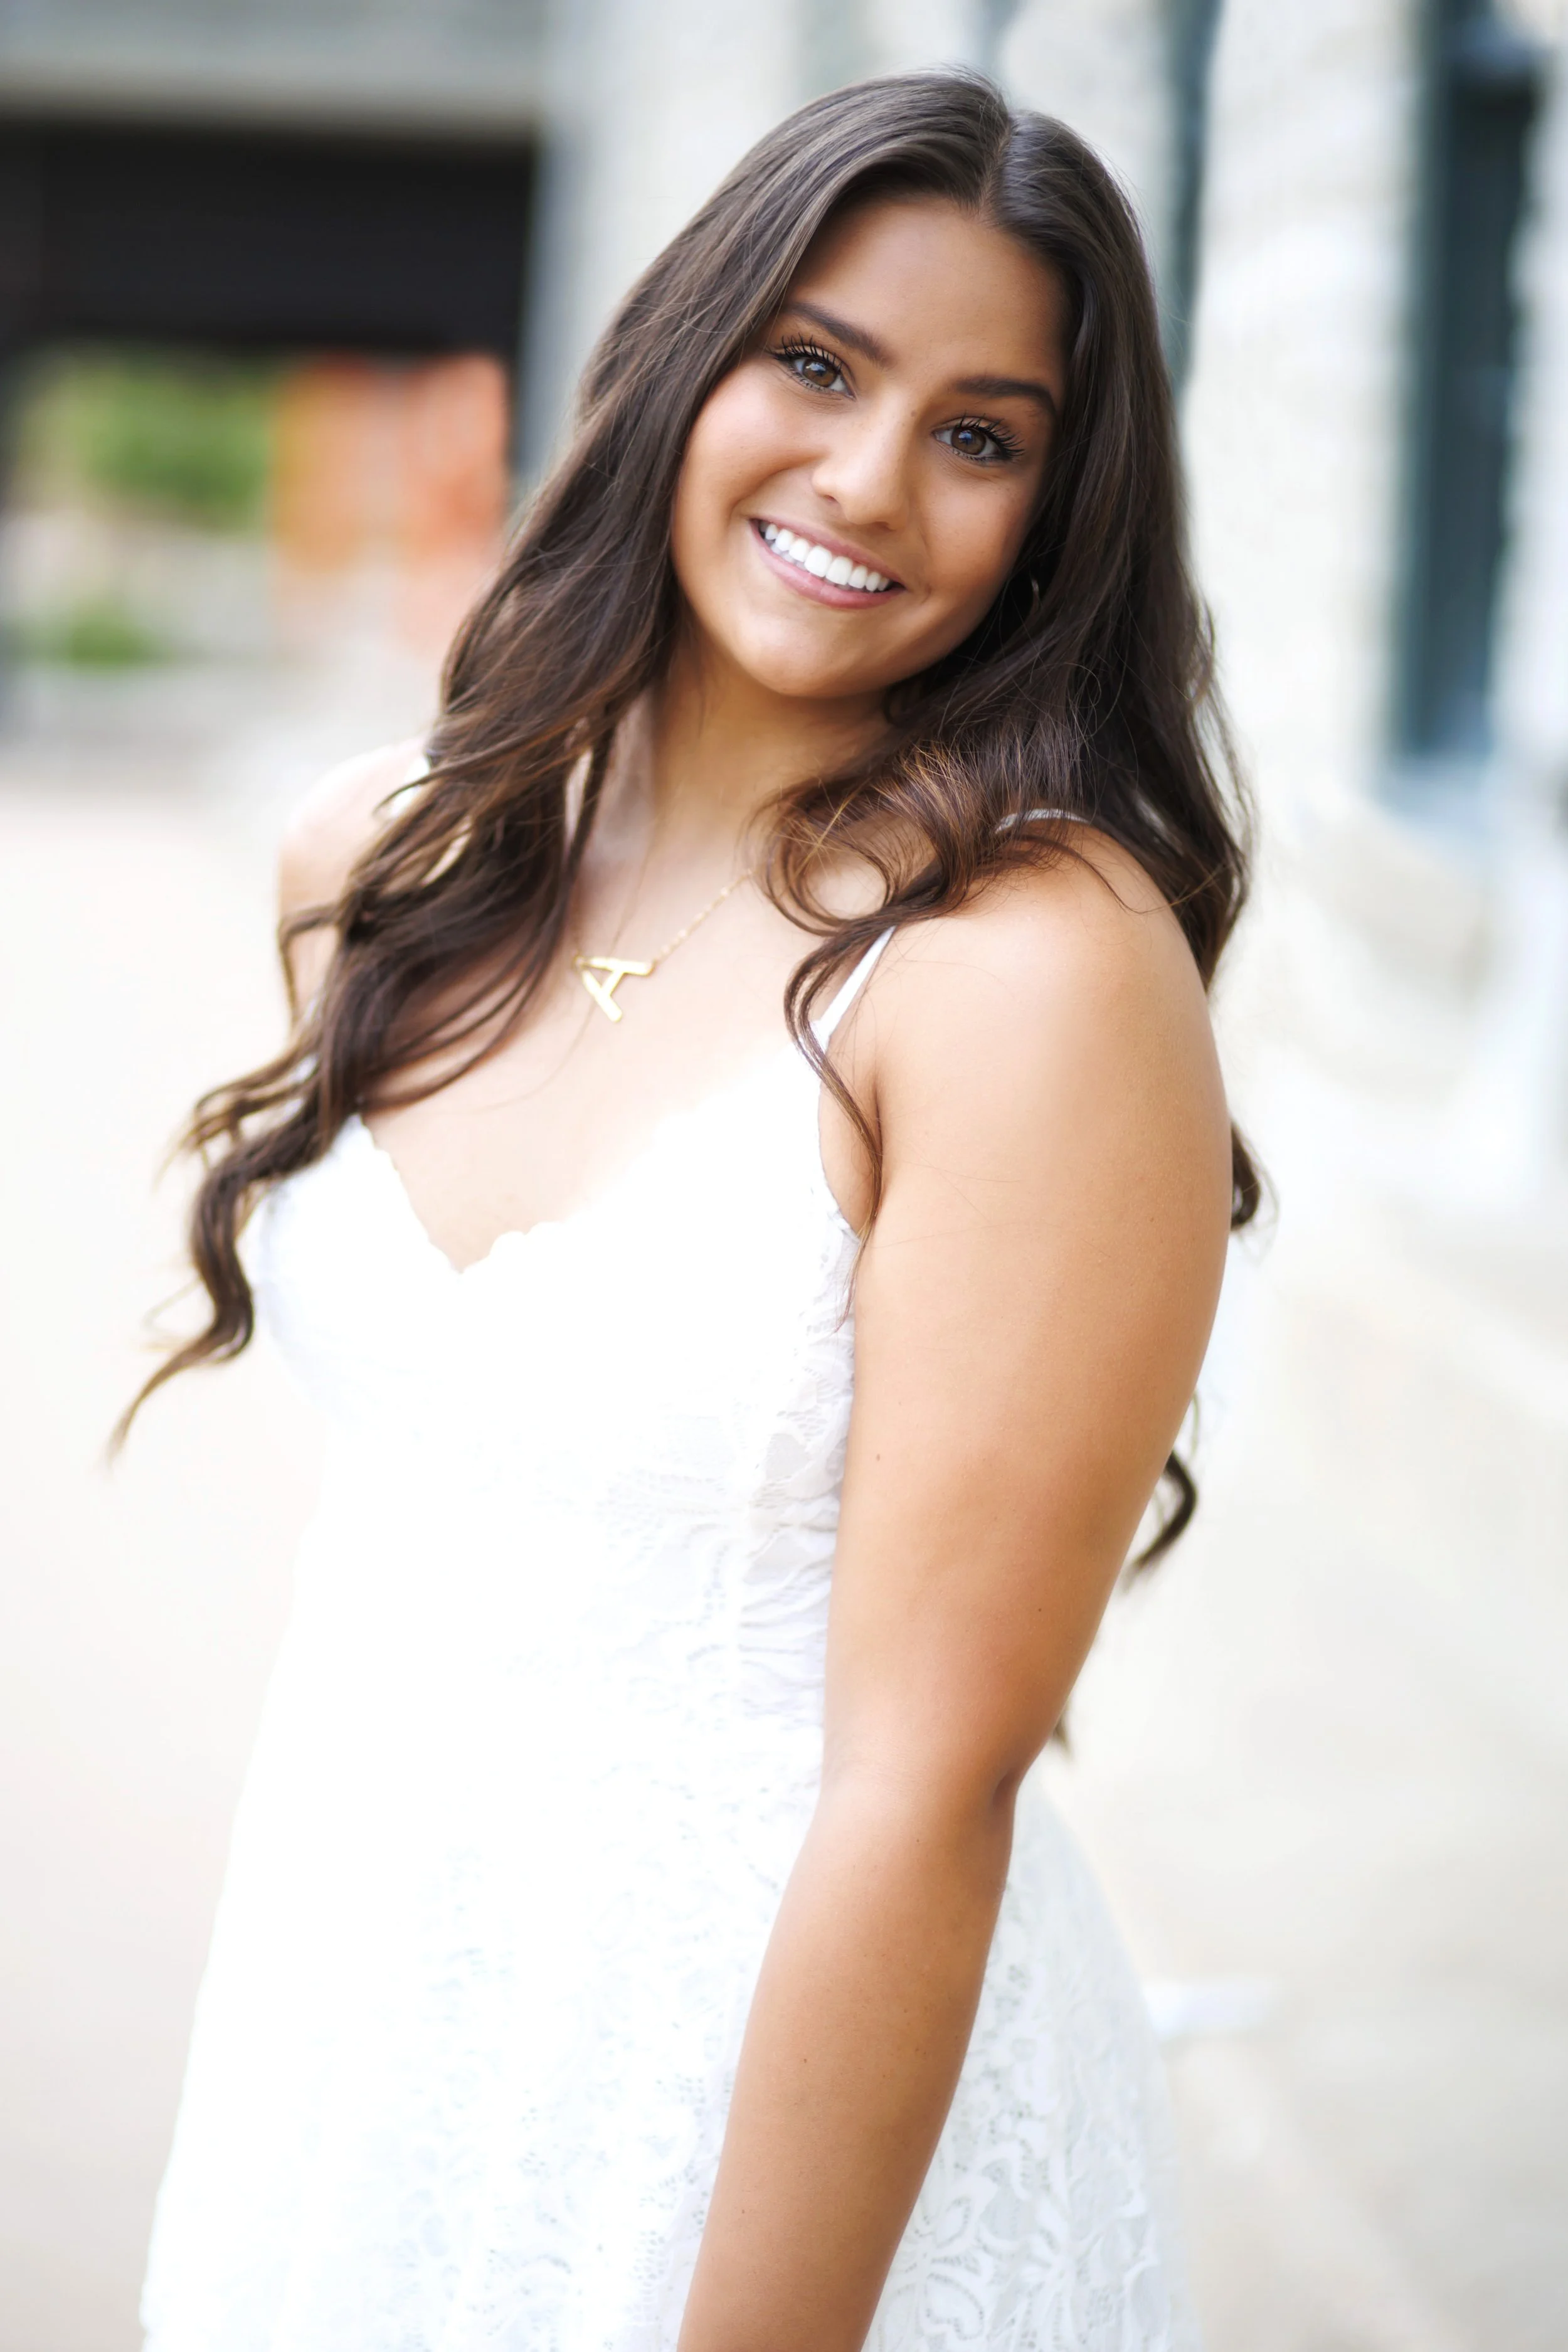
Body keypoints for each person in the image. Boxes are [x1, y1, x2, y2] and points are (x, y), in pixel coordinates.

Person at [134, 69, 1256, 2352]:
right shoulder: (385, 864)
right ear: (680, 355)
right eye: (816, 364)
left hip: (770, 2128)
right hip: (357, 2032)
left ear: (1053, 518)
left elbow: (928, 1781)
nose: (867, 480)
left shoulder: (1020, 975)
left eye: (979, 434)